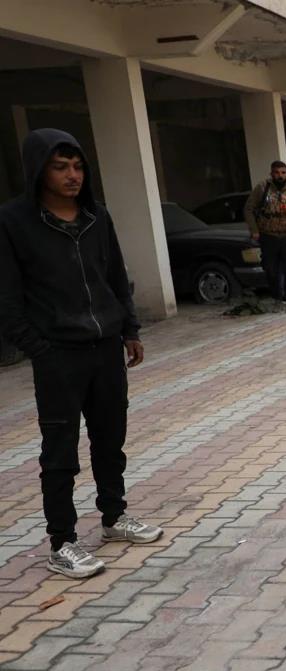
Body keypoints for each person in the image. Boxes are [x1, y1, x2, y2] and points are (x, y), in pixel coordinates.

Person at [0, 129, 164, 579]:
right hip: (58, 357)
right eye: (60, 166)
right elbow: (7, 299)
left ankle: (114, 517)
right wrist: (40, 350)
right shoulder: (13, 222)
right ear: (39, 169)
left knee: (110, 440)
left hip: (106, 349)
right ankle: (63, 543)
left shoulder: (96, 216)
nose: (72, 176)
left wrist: (129, 329)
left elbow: (115, 275)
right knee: (60, 454)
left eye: (77, 166)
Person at [245, 160, 286, 313]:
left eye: (283, 173)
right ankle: (277, 299)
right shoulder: (262, 188)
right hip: (269, 236)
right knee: (271, 270)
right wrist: (254, 230)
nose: (280, 176)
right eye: (277, 173)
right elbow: (248, 209)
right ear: (272, 173)